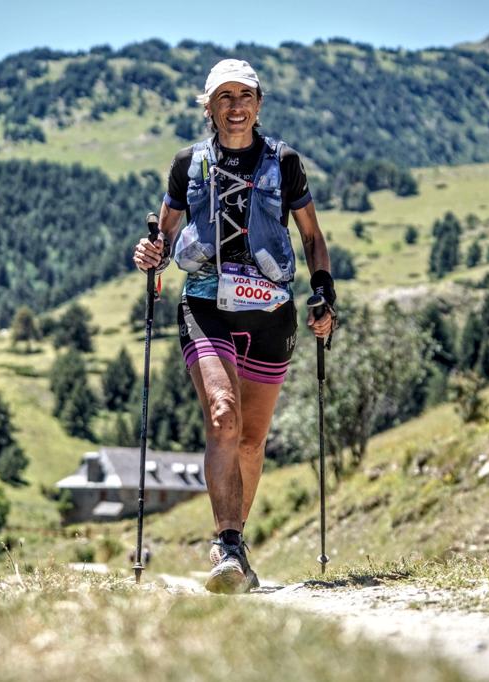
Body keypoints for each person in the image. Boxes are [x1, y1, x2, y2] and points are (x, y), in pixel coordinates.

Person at [132, 59, 335, 594]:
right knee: (222, 416)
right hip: (205, 304)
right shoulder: (187, 164)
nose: (236, 106)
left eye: (244, 95)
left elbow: (312, 236)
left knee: (250, 441)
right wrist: (149, 253)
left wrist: (323, 292)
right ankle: (226, 546)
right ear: (208, 107)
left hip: (271, 312)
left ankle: (238, 553)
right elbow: (163, 235)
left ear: (259, 103)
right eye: (224, 97)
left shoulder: (284, 162)